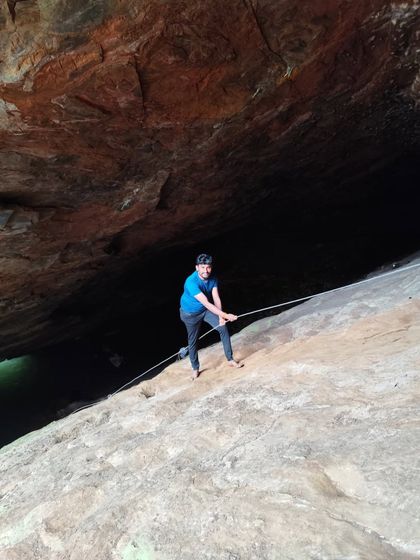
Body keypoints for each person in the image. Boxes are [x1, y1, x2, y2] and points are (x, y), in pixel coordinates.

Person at [180, 253, 243, 379]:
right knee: (193, 341)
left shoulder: (213, 278)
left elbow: (216, 298)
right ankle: (195, 368)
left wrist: (221, 317)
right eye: (202, 267)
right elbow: (207, 303)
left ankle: (230, 360)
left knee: (223, 328)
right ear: (197, 267)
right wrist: (226, 315)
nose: (206, 270)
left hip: (205, 310)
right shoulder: (191, 282)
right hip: (190, 314)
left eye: (208, 267)